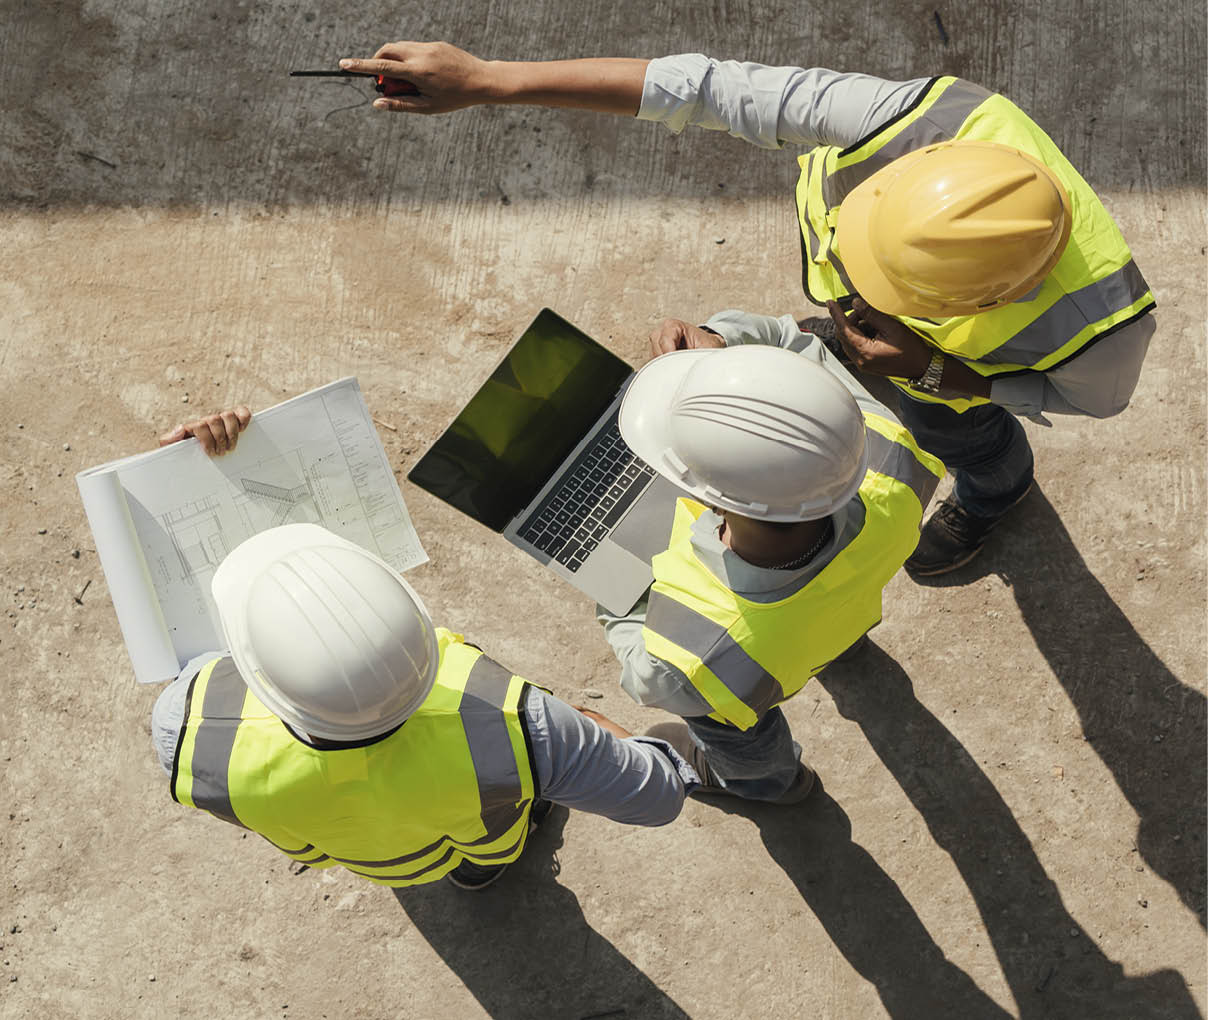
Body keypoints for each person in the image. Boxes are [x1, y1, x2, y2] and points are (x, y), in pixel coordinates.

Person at [338, 43, 1155, 575]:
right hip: (910, 353)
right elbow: (707, 89)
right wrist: (490, 82)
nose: (852, 291)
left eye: (883, 289)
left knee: (963, 438)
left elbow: (1089, 405)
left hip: (949, 383)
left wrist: (942, 373)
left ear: (988, 297)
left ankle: (996, 491)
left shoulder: (1103, 336)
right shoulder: (914, 121)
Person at [151, 410, 698, 891]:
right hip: (480, 838)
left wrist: (183, 478)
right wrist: (584, 730)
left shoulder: (187, 728)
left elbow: (188, 647)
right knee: (484, 849)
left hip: (363, 855)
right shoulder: (522, 725)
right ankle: (482, 871)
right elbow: (656, 795)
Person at [596, 311, 943, 801]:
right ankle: (842, 651)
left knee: (732, 730)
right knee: (826, 625)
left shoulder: (692, 660)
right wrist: (723, 349)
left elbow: (645, 675)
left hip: (747, 673)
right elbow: (791, 344)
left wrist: (612, 591)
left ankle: (770, 784)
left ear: (708, 501)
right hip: (832, 614)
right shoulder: (889, 452)